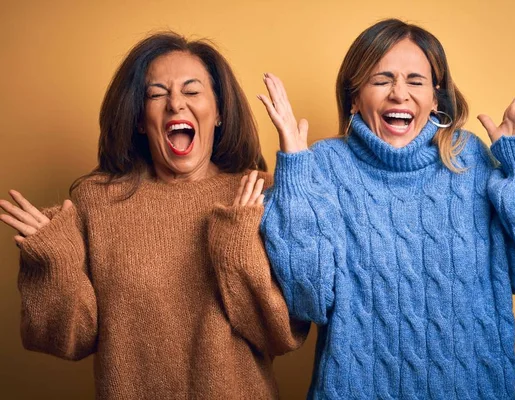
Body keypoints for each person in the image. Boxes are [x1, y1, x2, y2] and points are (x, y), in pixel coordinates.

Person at [257, 18, 515, 399]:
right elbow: (311, 300)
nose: (399, 94)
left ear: (435, 97)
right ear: (355, 97)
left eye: (415, 80)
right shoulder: (324, 167)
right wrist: (294, 177)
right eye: (381, 80)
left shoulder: (469, 159)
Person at [0, 32, 308, 399]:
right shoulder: (97, 202)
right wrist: (55, 263)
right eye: (157, 93)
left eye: (192, 92)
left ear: (220, 113)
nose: (176, 104)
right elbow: (68, 340)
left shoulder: (260, 192)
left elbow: (282, 333)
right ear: (139, 121)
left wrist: (237, 244)